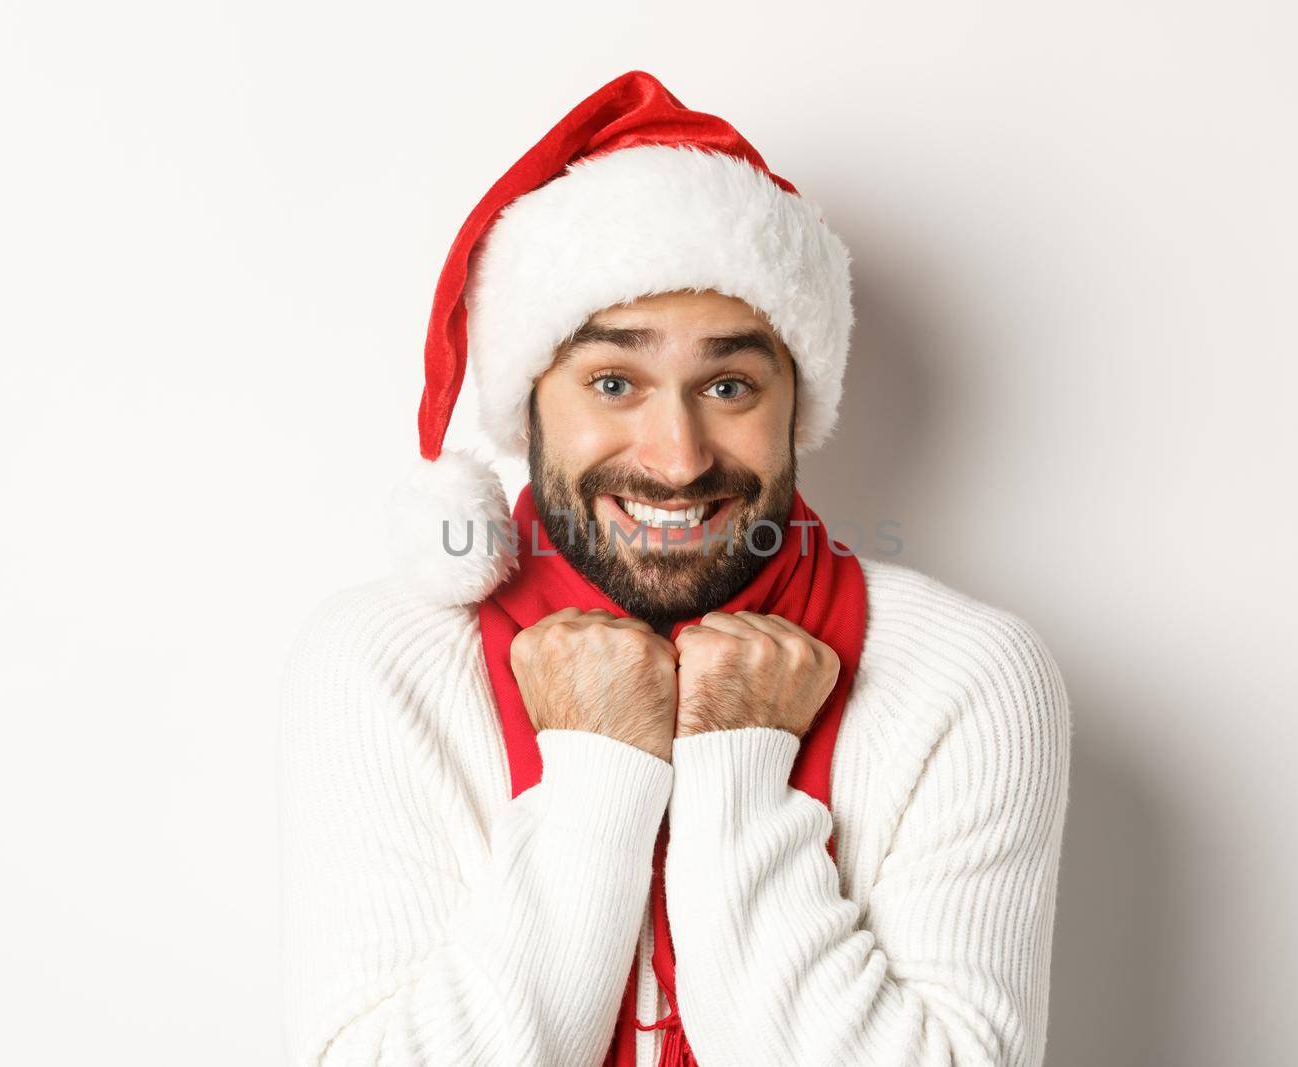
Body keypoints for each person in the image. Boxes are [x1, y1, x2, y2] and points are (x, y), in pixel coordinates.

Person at [279, 70, 1072, 1067]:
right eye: (614, 380)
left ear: (797, 404)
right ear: (528, 401)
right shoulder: (380, 662)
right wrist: (597, 771)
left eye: (729, 383)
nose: (679, 455)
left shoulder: (967, 674)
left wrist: (737, 760)